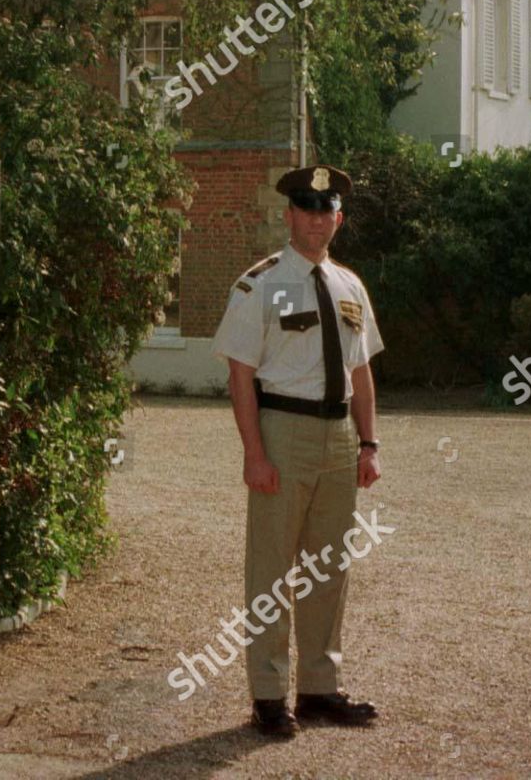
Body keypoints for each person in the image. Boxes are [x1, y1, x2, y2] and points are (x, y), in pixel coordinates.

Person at [211, 164, 384, 738]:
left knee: (328, 567)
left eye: (326, 210)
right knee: (272, 569)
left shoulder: (350, 285)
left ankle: (318, 689)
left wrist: (369, 443)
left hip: (339, 438)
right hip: (283, 432)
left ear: (339, 218)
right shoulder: (259, 284)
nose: (316, 220)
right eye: (306, 210)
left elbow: (360, 370)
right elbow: (240, 374)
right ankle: (268, 697)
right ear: (289, 216)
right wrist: (253, 453)